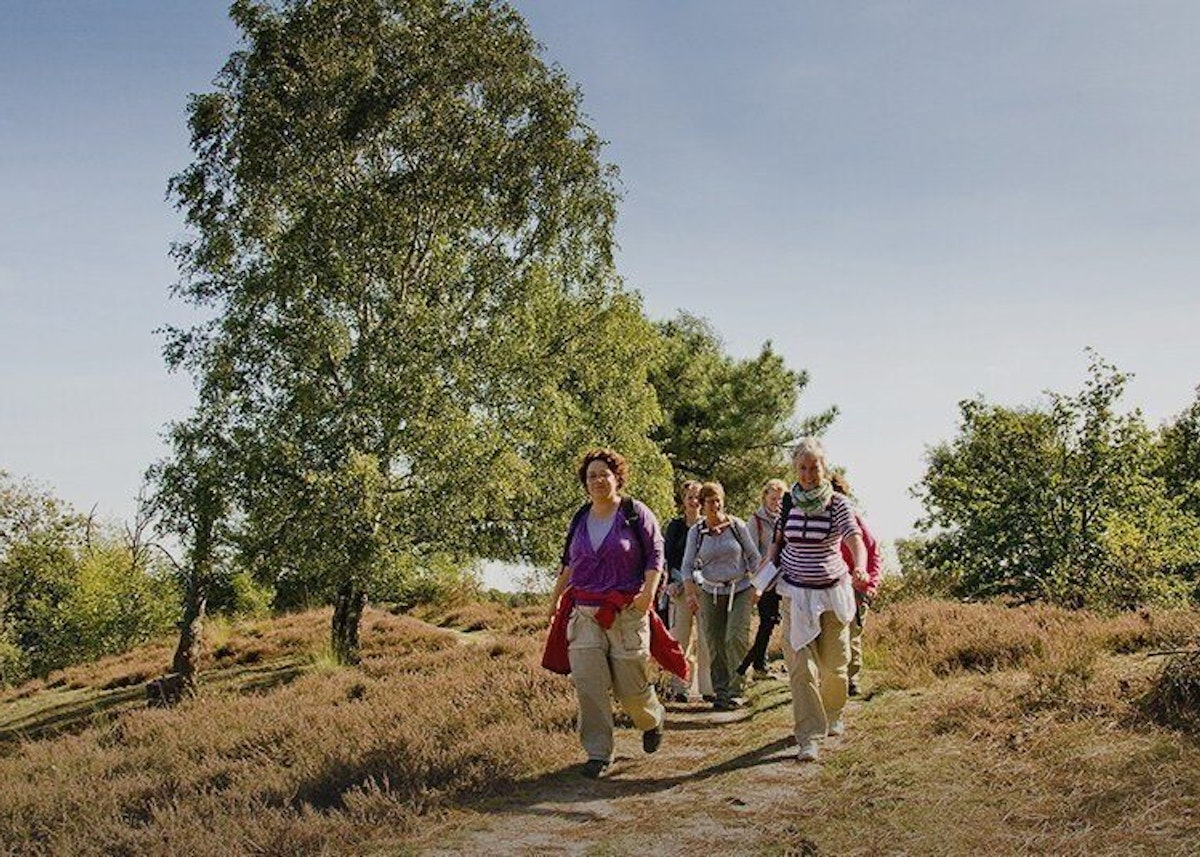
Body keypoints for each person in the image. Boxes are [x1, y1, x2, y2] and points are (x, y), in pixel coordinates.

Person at [548, 448, 668, 779]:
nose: (598, 480)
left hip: (626, 612)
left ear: (617, 477)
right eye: (592, 476)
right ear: (585, 483)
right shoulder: (579, 519)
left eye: (604, 474)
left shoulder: (635, 513)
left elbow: (655, 555)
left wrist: (648, 593)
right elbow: (568, 564)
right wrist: (554, 601)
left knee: (631, 690)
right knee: (589, 685)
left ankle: (651, 718)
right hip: (584, 613)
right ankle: (599, 753)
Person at [767, 438, 868, 763]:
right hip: (795, 594)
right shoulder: (787, 502)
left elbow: (854, 538)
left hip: (831, 593)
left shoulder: (837, 503)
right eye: (803, 468)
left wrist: (861, 567)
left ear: (824, 469)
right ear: (795, 469)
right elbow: (777, 542)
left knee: (835, 668)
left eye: (814, 468)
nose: (808, 474)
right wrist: (764, 575)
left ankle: (833, 711)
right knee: (801, 669)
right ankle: (808, 736)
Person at [682, 481, 760, 711]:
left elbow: (754, 558)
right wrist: (690, 594)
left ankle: (737, 690)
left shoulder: (737, 526)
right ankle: (721, 691)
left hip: (741, 587)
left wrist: (758, 586)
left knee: (734, 637)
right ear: (702, 504)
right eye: (710, 501)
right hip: (711, 590)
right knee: (714, 641)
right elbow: (687, 566)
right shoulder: (696, 532)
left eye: (718, 501)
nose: (715, 505)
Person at [830, 472, 881, 697]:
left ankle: (851, 678)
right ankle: (833, 677)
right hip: (829, 585)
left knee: (852, 632)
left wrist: (870, 584)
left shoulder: (855, 521)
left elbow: (873, 551)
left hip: (855, 586)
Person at [663, 480, 713, 703]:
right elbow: (668, 558)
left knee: (706, 638)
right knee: (679, 638)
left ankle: (708, 688)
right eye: (689, 497)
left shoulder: (709, 525)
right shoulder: (675, 527)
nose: (694, 501)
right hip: (680, 588)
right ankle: (679, 687)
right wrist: (673, 583)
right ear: (683, 501)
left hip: (705, 587)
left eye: (697, 497)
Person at [737, 477, 788, 680]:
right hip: (764, 578)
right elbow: (749, 550)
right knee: (767, 621)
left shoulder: (787, 517)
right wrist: (759, 573)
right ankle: (756, 666)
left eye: (780, 499)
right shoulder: (756, 520)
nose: (776, 502)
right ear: (765, 498)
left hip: (785, 576)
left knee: (777, 620)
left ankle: (754, 664)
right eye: (773, 498)